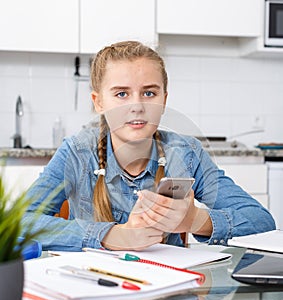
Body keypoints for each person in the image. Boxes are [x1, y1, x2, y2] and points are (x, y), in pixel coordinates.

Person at [23, 40, 275, 252]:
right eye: (121, 94)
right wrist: (109, 235)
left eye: (149, 93)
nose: (137, 106)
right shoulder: (76, 153)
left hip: (167, 295)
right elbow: (20, 222)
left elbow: (261, 220)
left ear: (164, 100)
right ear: (98, 102)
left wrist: (196, 220)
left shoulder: (187, 153)